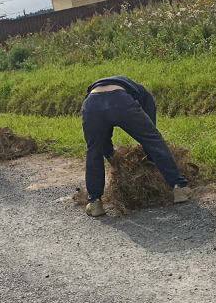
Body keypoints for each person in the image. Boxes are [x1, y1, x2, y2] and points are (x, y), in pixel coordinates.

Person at [81, 75, 191, 217]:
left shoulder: (94, 93)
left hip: (91, 105)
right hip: (120, 100)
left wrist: (114, 160)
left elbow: (103, 144)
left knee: (93, 151)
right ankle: (179, 187)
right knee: (154, 139)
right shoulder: (145, 95)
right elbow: (150, 134)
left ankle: (95, 203)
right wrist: (149, 155)